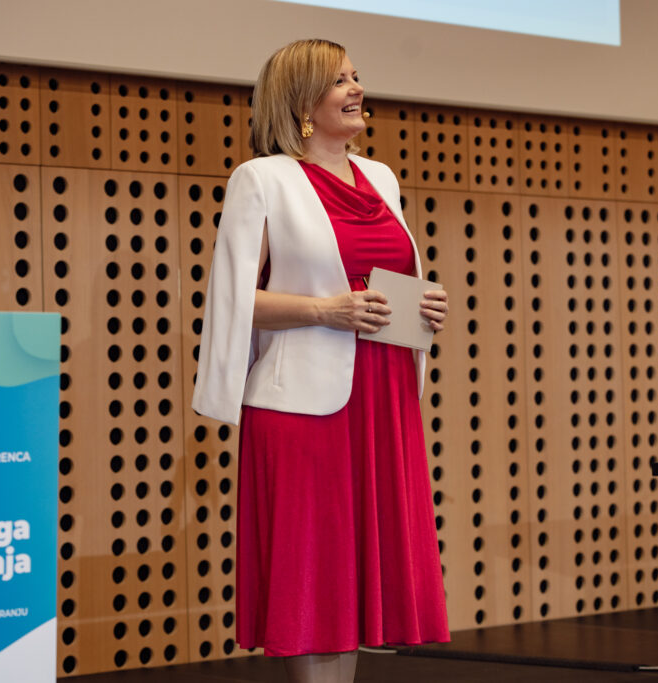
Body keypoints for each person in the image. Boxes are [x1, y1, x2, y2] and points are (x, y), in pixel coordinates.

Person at [192, 39, 450, 683]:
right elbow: (234, 300)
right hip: (303, 405)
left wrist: (422, 304)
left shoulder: (382, 178)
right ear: (302, 101)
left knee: (353, 582)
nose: (357, 89)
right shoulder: (262, 179)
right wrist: (323, 310)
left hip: (382, 394)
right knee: (315, 577)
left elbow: (382, 280)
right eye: (340, 81)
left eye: (357, 76)